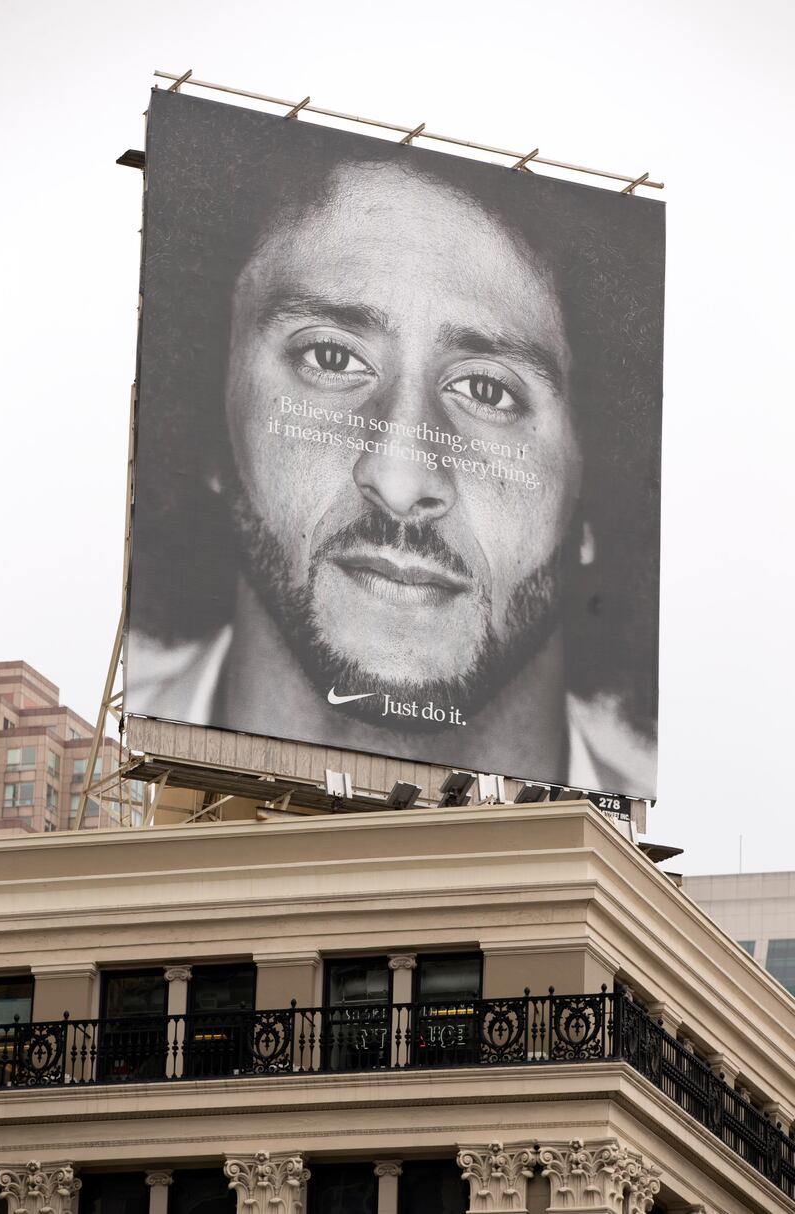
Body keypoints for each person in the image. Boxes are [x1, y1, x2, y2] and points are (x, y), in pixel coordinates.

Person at [127, 97, 661, 798]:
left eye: (488, 391)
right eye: (330, 357)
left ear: (593, 490)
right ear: (212, 427)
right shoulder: (116, 804)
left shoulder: (632, 852)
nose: (402, 479)